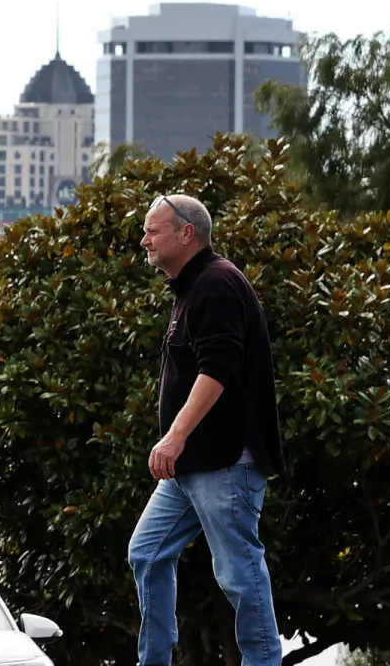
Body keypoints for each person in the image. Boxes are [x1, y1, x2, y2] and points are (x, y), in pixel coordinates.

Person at [127, 194, 286, 666]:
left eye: (153, 231)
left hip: (224, 459)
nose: (145, 240)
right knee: (148, 554)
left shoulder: (216, 283)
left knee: (239, 572)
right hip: (192, 465)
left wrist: (174, 436)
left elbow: (217, 369)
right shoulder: (191, 288)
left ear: (186, 233)